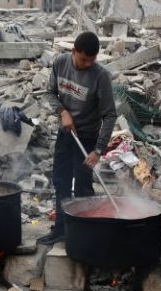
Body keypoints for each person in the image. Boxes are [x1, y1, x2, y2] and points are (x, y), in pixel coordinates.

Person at [38, 31, 117, 245]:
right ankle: (61, 229)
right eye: (83, 59)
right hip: (66, 134)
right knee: (61, 181)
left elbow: (110, 115)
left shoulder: (100, 76)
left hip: (87, 137)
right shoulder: (61, 63)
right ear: (73, 51)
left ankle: (84, 233)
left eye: (92, 60)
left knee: (82, 186)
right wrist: (62, 111)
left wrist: (98, 150)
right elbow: (50, 93)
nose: (88, 64)